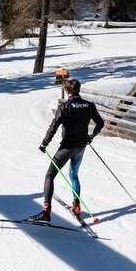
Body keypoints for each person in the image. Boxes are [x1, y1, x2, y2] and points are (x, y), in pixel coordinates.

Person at [28, 78, 104, 222]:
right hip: (81, 146)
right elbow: (100, 123)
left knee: (50, 175)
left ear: (67, 91)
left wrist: (44, 143)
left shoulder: (65, 106)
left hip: (68, 146)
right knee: (74, 175)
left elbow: (53, 126)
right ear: (78, 89)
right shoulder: (89, 105)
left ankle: (46, 212)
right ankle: (76, 206)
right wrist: (91, 136)